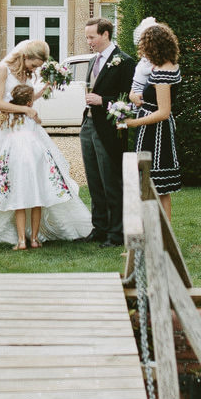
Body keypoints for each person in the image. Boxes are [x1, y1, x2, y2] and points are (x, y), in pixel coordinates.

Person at [0, 40, 91, 249]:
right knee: (11, 181)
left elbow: (27, 98)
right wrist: (26, 111)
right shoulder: (3, 70)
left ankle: (34, 235)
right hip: (8, 133)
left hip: (29, 131)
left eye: (39, 66)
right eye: (34, 64)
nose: (35, 69)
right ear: (25, 57)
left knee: (39, 177)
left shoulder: (28, 74)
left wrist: (46, 87)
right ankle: (15, 233)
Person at [78, 17, 137, 247]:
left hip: (110, 130)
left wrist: (103, 100)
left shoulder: (124, 62)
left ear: (105, 35)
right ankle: (99, 228)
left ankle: (116, 233)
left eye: (92, 37)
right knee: (94, 180)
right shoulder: (93, 61)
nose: (89, 41)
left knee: (111, 181)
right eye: (87, 37)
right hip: (89, 126)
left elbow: (129, 99)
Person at [119, 22, 181, 218]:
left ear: (154, 46)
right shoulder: (165, 66)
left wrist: (132, 123)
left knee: (153, 185)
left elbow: (163, 111)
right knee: (156, 187)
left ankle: (158, 238)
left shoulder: (163, 73)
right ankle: (160, 237)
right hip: (153, 128)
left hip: (156, 132)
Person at [129, 16, 159, 106]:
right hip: (137, 86)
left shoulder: (159, 62)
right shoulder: (144, 60)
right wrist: (132, 96)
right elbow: (132, 93)